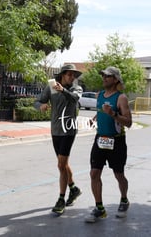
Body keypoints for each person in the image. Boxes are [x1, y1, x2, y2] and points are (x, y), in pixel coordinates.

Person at [85, 66, 132, 223]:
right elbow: (101, 110)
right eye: (103, 75)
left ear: (116, 79)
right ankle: (99, 208)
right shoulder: (99, 95)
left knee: (119, 174)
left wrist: (113, 114)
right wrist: (94, 119)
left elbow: (129, 122)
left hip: (116, 140)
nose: (104, 78)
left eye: (108, 76)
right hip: (100, 139)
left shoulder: (121, 98)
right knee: (94, 173)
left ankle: (124, 200)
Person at [35, 64, 83, 215]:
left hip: (69, 129)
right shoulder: (51, 87)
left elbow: (74, 99)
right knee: (64, 165)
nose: (72, 77)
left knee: (61, 164)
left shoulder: (76, 89)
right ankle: (74, 189)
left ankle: (61, 199)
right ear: (62, 74)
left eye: (74, 75)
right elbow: (37, 101)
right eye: (69, 74)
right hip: (55, 130)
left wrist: (63, 90)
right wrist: (41, 106)